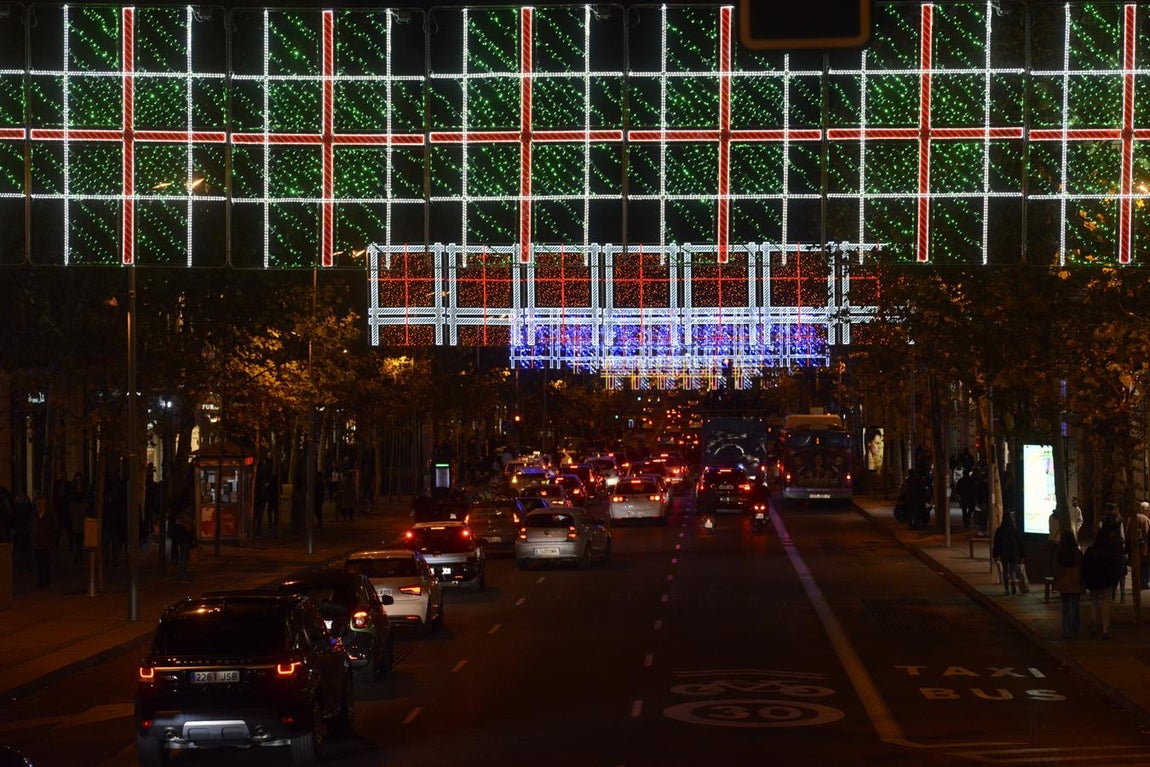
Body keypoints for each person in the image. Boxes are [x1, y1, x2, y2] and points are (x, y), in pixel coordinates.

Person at [1082, 520, 1126, 639]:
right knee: (1105, 603)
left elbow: (1085, 567)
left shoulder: (1090, 551)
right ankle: (1105, 628)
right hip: (1106, 582)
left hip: (1093, 582)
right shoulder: (1109, 551)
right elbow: (1114, 566)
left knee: (1094, 603)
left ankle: (1094, 625)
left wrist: (1085, 580)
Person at [1052, 533, 1083, 639]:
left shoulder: (1059, 553)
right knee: (1075, 607)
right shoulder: (1077, 553)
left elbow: (1055, 569)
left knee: (1065, 608)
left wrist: (1056, 581)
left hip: (1063, 583)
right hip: (1075, 582)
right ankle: (1075, 630)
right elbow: (1081, 567)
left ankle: (1066, 631)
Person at [992, 512, 1025, 595]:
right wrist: (1022, 555)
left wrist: (995, 555)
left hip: (1004, 553)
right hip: (1014, 553)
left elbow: (996, 544)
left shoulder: (1000, 530)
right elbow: (1020, 544)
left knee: (1005, 570)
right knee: (1013, 570)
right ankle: (1013, 581)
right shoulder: (1016, 530)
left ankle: (1007, 589)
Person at [32, 494, 58, 588]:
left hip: (46, 542)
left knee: (45, 562)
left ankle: (46, 581)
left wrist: (51, 539)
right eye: (37, 504)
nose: (38, 506)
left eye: (40, 503)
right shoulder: (34, 514)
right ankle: (41, 581)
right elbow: (32, 525)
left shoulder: (50, 514)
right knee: (38, 562)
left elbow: (55, 527)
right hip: (37, 543)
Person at [1135, 502, 1150, 590]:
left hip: (1135, 547)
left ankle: (1138, 582)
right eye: (1148, 509)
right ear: (1143, 510)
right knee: (1145, 565)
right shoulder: (1146, 519)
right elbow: (1148, 535)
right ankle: (1144, 582)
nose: (1149, 511)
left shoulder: (1132, 518)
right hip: (1144, 547)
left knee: (1138, 565)